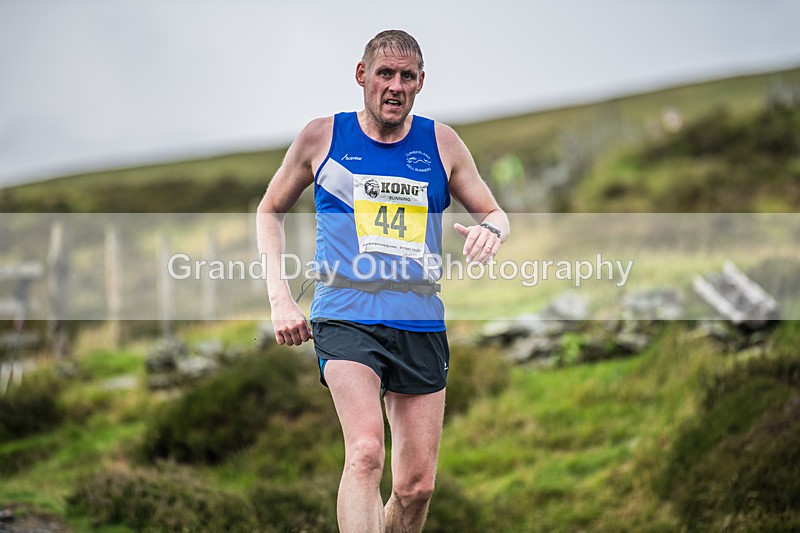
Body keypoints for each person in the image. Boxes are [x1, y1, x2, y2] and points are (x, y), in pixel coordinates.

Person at [257, 29, 509, 533]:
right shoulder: (322, 137)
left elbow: (495, 212)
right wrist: (280, 299)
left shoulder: (442, 143)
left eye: (407, 76)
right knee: (366, 452)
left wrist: (490, 232)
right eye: (384, 74)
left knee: (416, 488)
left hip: (418, 319)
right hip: (344, 311)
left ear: (421, 83)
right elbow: (269, 210)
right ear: (362, 76)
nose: (395, 86)